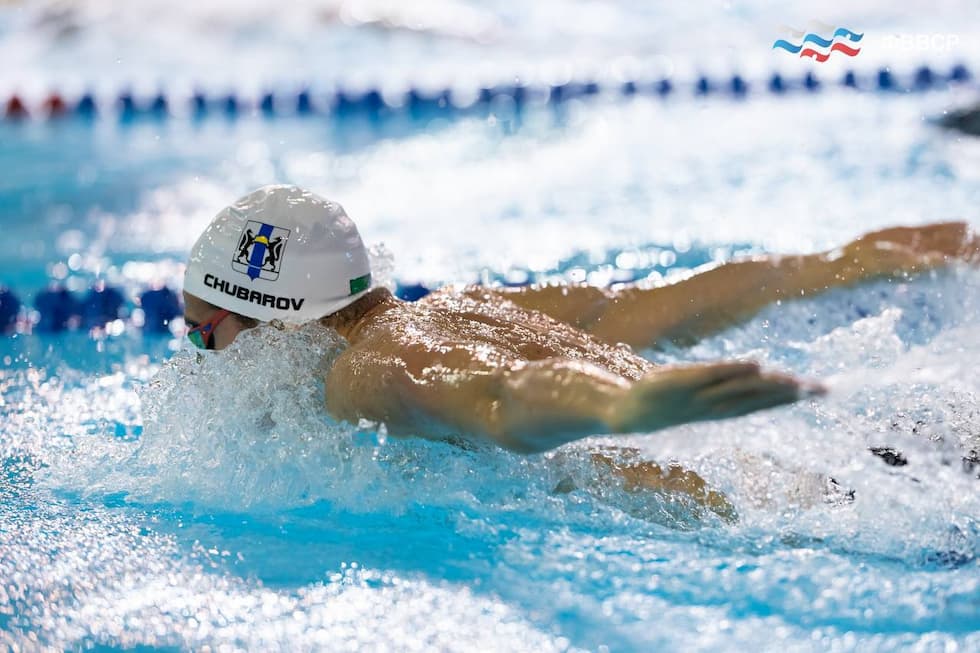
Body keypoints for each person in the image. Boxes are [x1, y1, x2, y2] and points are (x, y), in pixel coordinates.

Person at [182, 185, 978, 518]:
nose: (196, 355)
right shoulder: (467, 306)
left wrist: (624, 406)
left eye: (203, 332)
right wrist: (846, 261)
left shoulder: (363, 375)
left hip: (812, 503)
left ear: (274, 319)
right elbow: (649, 303)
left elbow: (503, 401)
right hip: (866, 449)